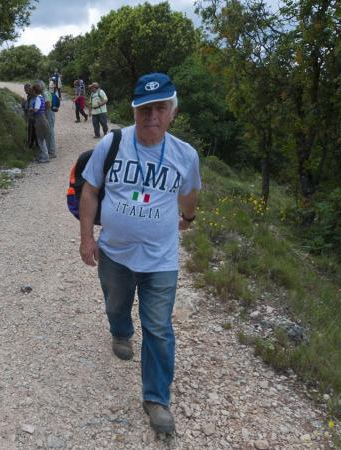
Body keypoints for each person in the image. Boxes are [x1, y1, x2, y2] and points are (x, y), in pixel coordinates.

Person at [78, 72, 201, 435]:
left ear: (172, 112)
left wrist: (188, 217)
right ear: (133, 110)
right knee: (116, 303)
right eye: (144, 109)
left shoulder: (185, 155)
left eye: (160, 108)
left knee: (159, 327)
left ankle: (157, 399)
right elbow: (90, 190)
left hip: (161, 259)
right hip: (115, 253)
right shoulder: (113, 143)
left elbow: (189, 193)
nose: (152, 116)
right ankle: (120, 331)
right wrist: (86, 239)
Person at [30, 82, 50, 163]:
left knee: (40, 139)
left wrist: (31, 109)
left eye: (33, 90)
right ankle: (44, 155)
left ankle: (45, 156)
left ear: (35, 91)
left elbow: (36, 109)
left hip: (39, 119)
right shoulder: (41, 97)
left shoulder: (38, 98)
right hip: (42, 118)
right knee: (42, 139)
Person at [43, 80, 57, 158]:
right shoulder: (48, 92)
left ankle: (51, 151)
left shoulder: (45, 93)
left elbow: (48, 104)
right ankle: (50, 150)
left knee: (50, 132)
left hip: (49, 112)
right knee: (49, 131)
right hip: (51, 112)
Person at [21, 83, 36, 149]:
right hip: (31, 117)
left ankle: (29, 145)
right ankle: (31, 145)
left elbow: (31, 106)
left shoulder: (33, 96)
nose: (25, 91)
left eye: (26, 90)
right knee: (31, 132)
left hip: (33, 117)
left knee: (31, 132)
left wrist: (25, 105)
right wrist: (24, 103)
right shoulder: (29, 96)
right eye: (25, 90)